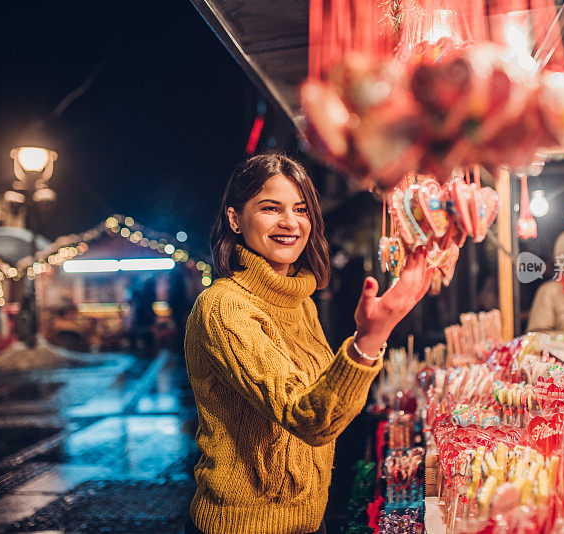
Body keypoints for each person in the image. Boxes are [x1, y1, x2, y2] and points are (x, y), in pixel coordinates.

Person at [183, 153, 433, 534]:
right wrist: (370, 337)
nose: (290, 223)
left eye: (301, 209)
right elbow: (309, 420)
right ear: (235, 219)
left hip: (304, 522)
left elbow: (327, 406)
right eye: (270, 208)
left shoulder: (301, 303)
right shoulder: (223, 307)